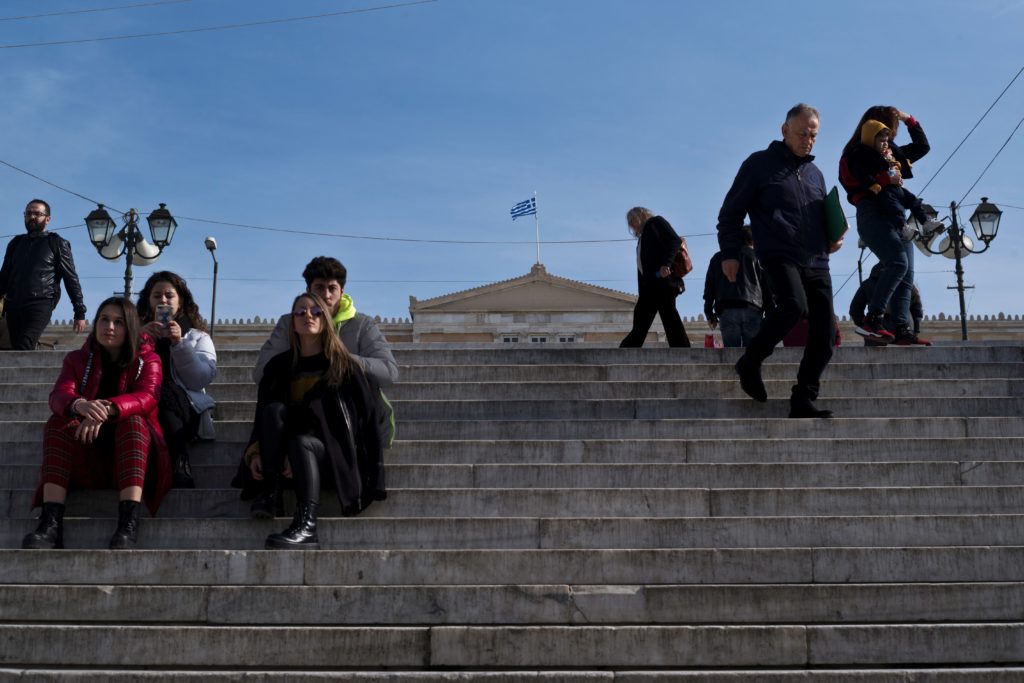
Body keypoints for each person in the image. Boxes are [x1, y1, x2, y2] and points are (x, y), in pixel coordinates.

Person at [716, 103, 844, 418]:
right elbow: (730, 213)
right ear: (784, 130)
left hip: (817, 259)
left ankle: (802, 398)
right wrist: (730, 252)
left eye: (813, 135)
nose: (808, 140)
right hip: (778, 252)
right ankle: (751, 360)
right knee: (792, 306)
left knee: (825, 337)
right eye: (802, 133)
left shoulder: (816, 174)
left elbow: (823, 217)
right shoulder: (759, 165)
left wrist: (834, 237)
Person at [21, 297, 171, 550]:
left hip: (132, 462)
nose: (109, 327)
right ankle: (50, 525)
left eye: (118, 322)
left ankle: (127, 524)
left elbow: (147, 397)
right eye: (104, 319)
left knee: (133, 421)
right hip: (87, 457)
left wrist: (108, 408)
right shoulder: (76, 360)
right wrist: (80, 405)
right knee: (58, 423)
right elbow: (59, 395)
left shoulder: (149, 359)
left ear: (131, 327)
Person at [248, 293, 387, 550]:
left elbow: (367, 419)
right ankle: (270, 493)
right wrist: (257, 451)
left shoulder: (344, 365)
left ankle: (307, 525)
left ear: (326, 320)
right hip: (284, 462)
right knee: (274, 411)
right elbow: (263, 414)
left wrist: (375, 473)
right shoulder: (279, 366)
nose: (307, 316)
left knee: (303, 443)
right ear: (292, 323)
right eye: (300, 312)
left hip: (331, 457)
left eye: (315, 311)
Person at [839, 106, 933, 346]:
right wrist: (884, 179)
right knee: (897, 263)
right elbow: (854, 180)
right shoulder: (855, 152)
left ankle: (902, 328)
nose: (892, 136)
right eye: (890, 130)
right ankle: (873, 319)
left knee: (907, 273)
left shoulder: (891, 152)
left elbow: (922, 147)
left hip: (896, 214)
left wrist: (909, 119)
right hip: (873, 212)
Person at [254, 256, 397, 387]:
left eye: (332, 288)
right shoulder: (289, 323)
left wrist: (341, 360)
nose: (326, 295)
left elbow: (388, 372)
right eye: (320, 287)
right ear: (308, 290)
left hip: (349, 408)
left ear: (342, 292)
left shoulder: (362, 324)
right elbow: (261, 373)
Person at [136, 271, 218, 488]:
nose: (163, 300)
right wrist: (139, 340)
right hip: (141, 400)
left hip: (183, 407)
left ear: (180, 302)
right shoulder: (135, 334)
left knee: (162, 393)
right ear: (148, 301)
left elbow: (199, 380)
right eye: (156, 295)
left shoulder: (197, 337)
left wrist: (179, 344)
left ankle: (180, 462)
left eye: (169, 295)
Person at [0, 199, 88, 350]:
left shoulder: (57, 243)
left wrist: (79, 312)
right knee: (15, 348)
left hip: (40, 303)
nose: (32, 217)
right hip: (13, 305)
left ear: (47, 219)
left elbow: (70, 278)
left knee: (24, 345)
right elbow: (4, 276)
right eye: (28, 213)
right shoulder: (15, 243)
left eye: (37, 213)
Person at [619, 207, 691, 348]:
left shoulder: (656, 222)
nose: (631, 225)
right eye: (629, 222)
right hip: (649, 288)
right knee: (642, 320)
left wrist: (666, 264)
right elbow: (643, 270)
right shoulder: (642, 239)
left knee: (669, 317)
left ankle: (683, 350)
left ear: (640, 216)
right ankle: (626, 350)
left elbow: (675, 240)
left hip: (663, 283)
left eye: (632, 220)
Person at [702, 226, 772, 347]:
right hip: (753, 308)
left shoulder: (718, 258)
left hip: (727, 309)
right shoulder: (757, 257)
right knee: (752, 354)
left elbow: (709, 288)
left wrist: (709, 313)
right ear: (752, 240)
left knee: (731, 355)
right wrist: (770, 312)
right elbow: (767, 288)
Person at [850, 262, 929, 346]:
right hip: (903, 328)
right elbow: (916, 308)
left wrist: (864, 325)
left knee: (874, 351)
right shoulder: (905, 283)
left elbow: (855, 309)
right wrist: (915, 331)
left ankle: (874, 332)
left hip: (878, 329)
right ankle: (906, 336)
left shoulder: (868, 283)